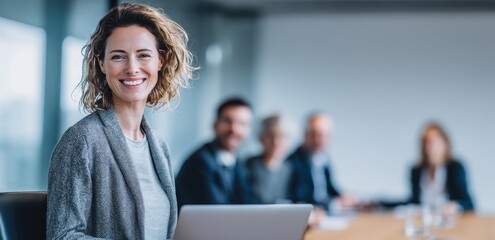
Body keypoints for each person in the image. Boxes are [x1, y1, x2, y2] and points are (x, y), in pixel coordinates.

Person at [47, 3, 195, 239]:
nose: (132, 68)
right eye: (118, 57)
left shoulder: (158, 145)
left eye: (143, 55)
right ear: (102, 64)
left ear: (160, 61)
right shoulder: (82, 140)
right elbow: (62, 235)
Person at [175, 98, 254, 209]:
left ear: (248, 130)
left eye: (242, 123)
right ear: (215, 124)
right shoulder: (200, 163)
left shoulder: (238, 163)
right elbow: (215, 212)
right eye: (227, 121)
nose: (234, 129)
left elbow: (248, 202)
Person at [288, 113, 356, 211]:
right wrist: (334, 204)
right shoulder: (292, 163)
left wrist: (344, 197)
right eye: (314, 134)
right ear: (305, 135)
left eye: (324, 135)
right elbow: (300, 200)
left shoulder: (323, 159)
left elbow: (330, 188)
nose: (319, 140)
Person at [246, 114, 293, 204]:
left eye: (281, 137)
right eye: (271, 136)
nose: (276, 142)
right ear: (261, 138)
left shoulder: (291, 168)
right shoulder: (248, 166)